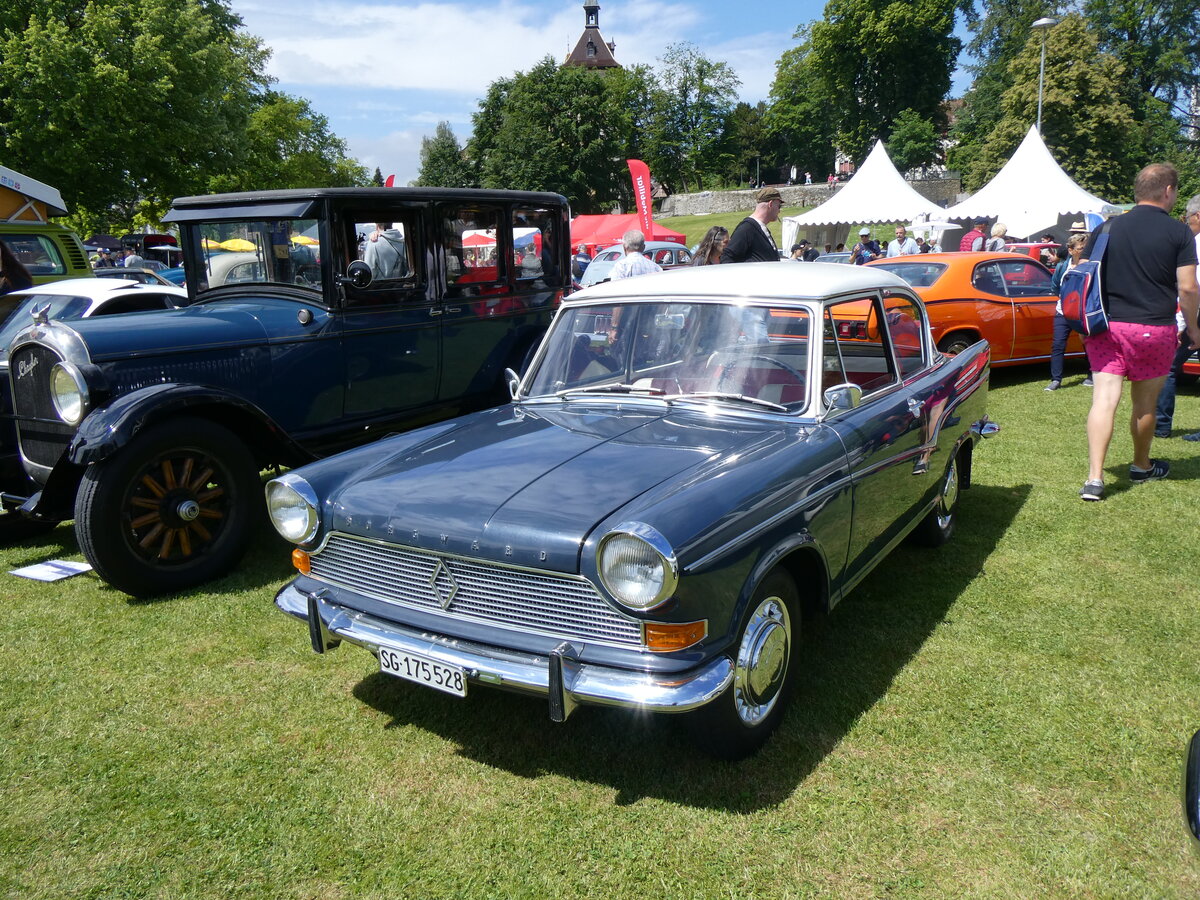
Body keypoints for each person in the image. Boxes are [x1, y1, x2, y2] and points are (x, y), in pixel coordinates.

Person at [1078, 163, 1200, 501]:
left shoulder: (1105, 229)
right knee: (1145, 404)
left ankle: (1094, 479)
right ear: (1168, 191)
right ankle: (1141, 465)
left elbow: (1084, 276)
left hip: (1106, 326)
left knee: (1103, 399)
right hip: (1154, 328)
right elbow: (1188, 288)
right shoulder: (1179, 233)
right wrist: (1193, 328)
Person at [1154, 193, 1200, 438]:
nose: (1188, 223)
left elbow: (1191, 288)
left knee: (1168, 366)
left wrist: (1183, 325)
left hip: (1196, 315)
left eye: (1189, 218)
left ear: (1198, 216)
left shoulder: (1196, 243)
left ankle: (1161, 425)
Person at [1045, 236, 1093, 391]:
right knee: (1058, 344)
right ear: (1071, 250)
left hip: (1083, 311)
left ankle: (1092, 375)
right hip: (1063, 310)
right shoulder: (1062, 266)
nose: (1083, 251)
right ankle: (1056, 379)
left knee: (1088, 343)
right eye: (1080, 248)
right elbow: (1055, 287)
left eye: (1085, 248)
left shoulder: (1090, 265)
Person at [720, 187, 782, 263]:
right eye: (779, 206)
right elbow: (727, 258)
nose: (779, 211)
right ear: (770, 204)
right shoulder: (746, 228)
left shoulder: (760, 228)